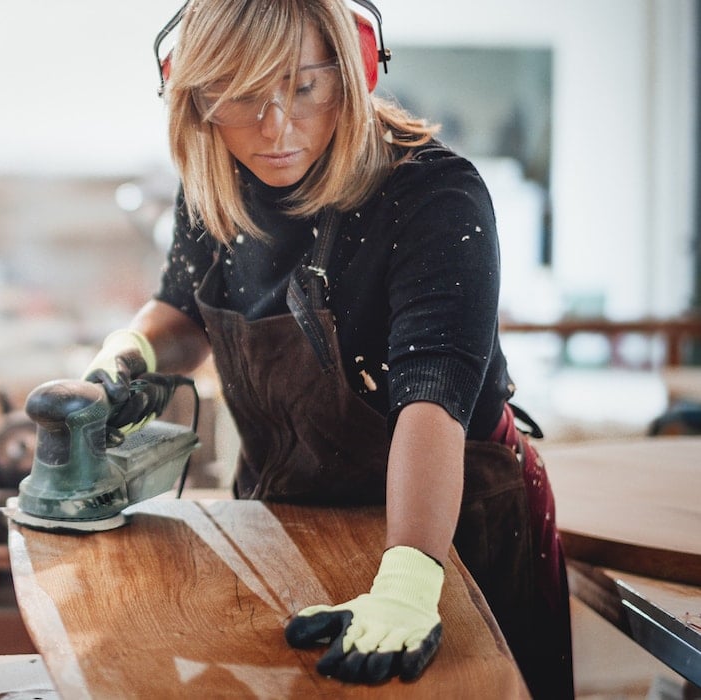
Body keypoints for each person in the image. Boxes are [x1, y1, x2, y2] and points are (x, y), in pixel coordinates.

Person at [82, 0, 572, 695]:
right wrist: (130, 355)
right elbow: (187, 310)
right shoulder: (214, 184)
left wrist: (407, 582)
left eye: (305, 88)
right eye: (241, 97)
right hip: (287, 517)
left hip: (449, 534)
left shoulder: (435, 196)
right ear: (195, 98)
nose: (276, 128)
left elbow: (430, 400)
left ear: (354, 70)